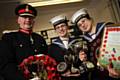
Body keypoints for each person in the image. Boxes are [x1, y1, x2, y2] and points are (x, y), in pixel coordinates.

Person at [0, 4, 48, 80]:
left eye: (30, 17)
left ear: (33, 21)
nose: (28, 20)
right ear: (18, 20)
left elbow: (47, 61)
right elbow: (6, 66)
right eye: (24, 17)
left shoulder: (40, 38)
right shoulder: (9, 38)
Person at [71, 8, 120, 80]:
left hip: (116, 70)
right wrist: (84, 59)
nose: (83, 25)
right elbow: (88, 63)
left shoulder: (108, 27)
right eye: (79, 25)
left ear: (90, 19)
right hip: (99, 76)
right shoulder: (83, 41)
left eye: (83, 21)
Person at [48, 15, 81, 80]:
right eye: (57, 27)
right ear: (55, 30)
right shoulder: (51, 48)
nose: (61, 29)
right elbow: (51, 66)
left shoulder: (78, 42)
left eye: (63, 26)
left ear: (67, 27)